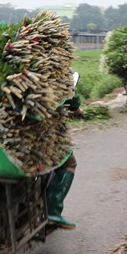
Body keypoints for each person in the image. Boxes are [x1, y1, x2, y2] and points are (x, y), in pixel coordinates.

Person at [47, 72, 82, 229]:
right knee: (70, 162)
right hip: (42, 138)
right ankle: (52, 210)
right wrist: (77, 109)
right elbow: (73, 102)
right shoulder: (56, 72)